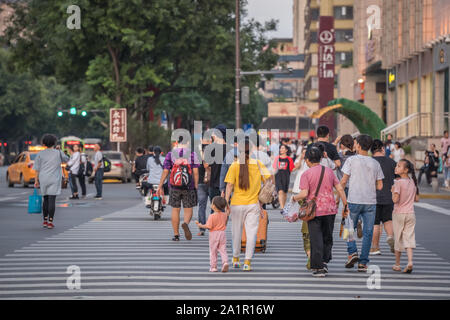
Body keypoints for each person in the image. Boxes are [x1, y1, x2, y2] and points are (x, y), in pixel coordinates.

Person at [291, 145, 348, 277]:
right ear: (321, 158)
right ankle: (324, 261)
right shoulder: (328, 171)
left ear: (307, 160)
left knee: (316, 238)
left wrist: (294, 198)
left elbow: (304, 193)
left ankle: (318, 267)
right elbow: (339, 188)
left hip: (314, 211)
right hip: (330, 209)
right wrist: (345, 204)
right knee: (327, 237)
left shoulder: (306, 174)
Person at [224, 138, 271, 271]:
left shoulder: (234, 165)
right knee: (251, 234)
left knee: (236, 233)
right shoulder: (257, 164)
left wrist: (227, 202)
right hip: (253, 204)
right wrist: (262, 197)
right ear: (250, 150)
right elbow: (269, 180)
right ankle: (247, 263)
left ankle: (235, 259)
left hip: (236, 204)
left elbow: (229, 186)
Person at [340, 134, 384, 272]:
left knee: (348, 228)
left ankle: (352, 252)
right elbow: (380, 185)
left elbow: (343, 181)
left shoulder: (351, 160)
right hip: (370, 202)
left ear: (358, 145)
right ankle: (363, 262)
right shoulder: (375, 163)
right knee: (368, 232)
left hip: (353, 200)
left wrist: (339, 195)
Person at [157, 137, 200, 241]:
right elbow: (195, 172)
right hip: (188, 186)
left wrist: (160, 185)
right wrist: (196, 186)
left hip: (174, 186)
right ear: (188, 143)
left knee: (175, 209)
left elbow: (166, 171)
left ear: (177, 142)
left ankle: (176, 235)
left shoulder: (171, 154)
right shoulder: (192, 154)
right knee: (188, 209)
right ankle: (185, 223)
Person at [33, 134, 69, 229]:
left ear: (44, 143)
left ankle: (44, 221)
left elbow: (37, 169)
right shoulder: (58, 153)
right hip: (54, 179)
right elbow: (67, 159)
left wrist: (36, 181)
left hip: (43, 179)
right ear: (54, 143)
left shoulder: (40, 154)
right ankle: (50, 222)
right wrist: (60, 150)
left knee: (46, 200)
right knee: (52, 200)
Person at [392, 159, 419, 274]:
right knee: (409, 238)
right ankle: (410, 261)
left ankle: (397, 264)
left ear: (405, 170)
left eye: (398, 166)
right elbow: (416, 199)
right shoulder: (412, 182)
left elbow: (395, 200)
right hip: (411, 213)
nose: (396, 168)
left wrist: (393, 191)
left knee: (398, 239)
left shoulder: (398, 182)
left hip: (399, 213)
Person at [370, 139, 396, 255]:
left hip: (373, 197)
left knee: (376, 223)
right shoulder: (391, 162)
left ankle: (375, 247)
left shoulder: (369, 162)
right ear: (381, 148)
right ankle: (391, 237)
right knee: (388, 220)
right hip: (388, 196)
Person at [195, 196, 230, 273]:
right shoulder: (224, 215)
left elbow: (208, 226)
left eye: (212, 203)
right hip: (222, 234)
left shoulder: (212, 216)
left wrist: (200, 225)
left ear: (214, 206)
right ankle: (225, 262)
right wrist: (226, 205)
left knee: (213, 251)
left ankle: (213, 267)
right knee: (223, 250)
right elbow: (228, 211)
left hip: (214, 234)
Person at [207, 125, 228, 208]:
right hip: (227, 184)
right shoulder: (230, 149)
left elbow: (207, 166)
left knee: (214, 209)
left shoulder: (211, 149)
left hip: (214, 183)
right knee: (224, 210)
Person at [273, 144, 295, 210]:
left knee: (285, 192)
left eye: (283, 148)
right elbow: (274, 168)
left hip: (286, 176)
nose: (281, 150)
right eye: (280, 148)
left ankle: (283, 205)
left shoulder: (289, 159)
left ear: (286, 150)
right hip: (278, 176)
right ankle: (282, 207)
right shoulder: (277, 158)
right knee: (280, 191)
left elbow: (291, 169)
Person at [197, 140, 211, 236]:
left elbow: (195, 173)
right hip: (212, 184)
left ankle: (202, 228)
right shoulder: (214, 158)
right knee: (214, 206)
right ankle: (213, 226)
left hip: (201, 184)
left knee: (202, 206)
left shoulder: (198, 159)